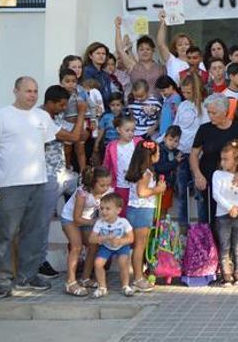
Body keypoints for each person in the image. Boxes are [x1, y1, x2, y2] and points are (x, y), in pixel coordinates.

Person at [36, 84, 89, 281]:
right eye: (61, 105)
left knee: (84, 191)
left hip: (62, 173)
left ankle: (84, 247)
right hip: (47, 176)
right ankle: (40, 262)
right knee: (42, 221)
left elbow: (82, 135)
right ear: (50, 102)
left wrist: (79, 127)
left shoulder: (55, 117)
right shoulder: (41, 117)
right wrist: (82, 112)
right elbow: (75, 136)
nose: (64, 109)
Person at [191, 94, 238, 223]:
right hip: (207, 179)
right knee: (206, 218)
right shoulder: (204, 129)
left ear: (224, 112)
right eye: (209, 112)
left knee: (229, 221)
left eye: (214, 112)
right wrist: (197, 174)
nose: (210, 116)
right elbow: (194, 154)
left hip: (232, 182)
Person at [60, 166, 112, 296]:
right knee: (76, 247)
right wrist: (95, 222)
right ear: (93, 183)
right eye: (102, 185)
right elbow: (76, 219)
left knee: (93, 245)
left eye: (108, 185)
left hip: (87, 219)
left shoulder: (105, 192)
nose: (106, 188)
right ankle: (70, 282)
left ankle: (85, 278)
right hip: (70, 219)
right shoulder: (82, 194)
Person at [124, 139, 165, 292]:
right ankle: (138, 278)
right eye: (158, 152)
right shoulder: (146, 173)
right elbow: (142, 193)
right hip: (142, 211)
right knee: (139, 246)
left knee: (137, 245)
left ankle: (137, 276)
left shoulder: (137, 170)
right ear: (151, 155)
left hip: (134, 210)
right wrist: (158, 189)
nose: (159, 154)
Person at [212, 140, 238, 286]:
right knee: (224, 245)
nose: (222, 162)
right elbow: (216, 195)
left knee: (237, 245)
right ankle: (226, 273)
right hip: (223, 216)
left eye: (226, 159)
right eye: (221, 159)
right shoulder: (217, 175)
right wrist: (230, 207)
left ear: (236, 161)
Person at [173, 73, 209, 226]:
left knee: (200, 193)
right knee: (182, 192)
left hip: (198, 155)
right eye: (183, 92)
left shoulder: (205, 106)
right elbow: (176, 127)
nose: (185, 95)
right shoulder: (182, 105)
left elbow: (207, 130)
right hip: (182, 153)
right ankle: (183, 227)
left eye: (189, 92)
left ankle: (202, 227)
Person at [89, 193, 134, 298]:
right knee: (98, 263)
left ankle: (125, 286)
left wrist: (121, 241)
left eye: (108, 209)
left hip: (121, 246)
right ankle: (102, 287)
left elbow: (131, 238)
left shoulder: (123, 222)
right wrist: (105, 238)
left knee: (123, 261)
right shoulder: (99, 223)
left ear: (118, 210)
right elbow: (91, 239)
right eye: (102, 208)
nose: (104, 211)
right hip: (106, 246)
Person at [115, 19, 166, 96]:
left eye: (148, 49)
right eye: (141, 49)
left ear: (153, 51)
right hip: (137, 105)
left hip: (157, 105)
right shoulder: (132, 66)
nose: (145, 52)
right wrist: (118, 28)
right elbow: (120, 50)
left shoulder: (161, 68)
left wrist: (162, 23)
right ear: (137, 51)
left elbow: (161, 44)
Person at [156, 9, 203, 83]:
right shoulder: (172, 61)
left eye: (186, 44)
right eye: (180, 45)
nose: (183, 47)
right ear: (175, 48)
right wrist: (162, 22)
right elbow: (161, 44)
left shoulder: (199, 63)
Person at [94, 92, 125, 163]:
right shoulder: (106, 117)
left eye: (118, 105)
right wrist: (96, 143)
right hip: (108, 145)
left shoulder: (125, 118)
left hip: (121, 145)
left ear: (122, 106)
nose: (115, 107)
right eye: (112, 105)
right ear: (109, 105)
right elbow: (101, 131)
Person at [83, 42, 114, 107]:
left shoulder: (105, 74)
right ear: (90, 56)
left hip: (106, 108)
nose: (101, 56)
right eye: (98, 53)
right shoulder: (86, 71)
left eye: (103, 54)